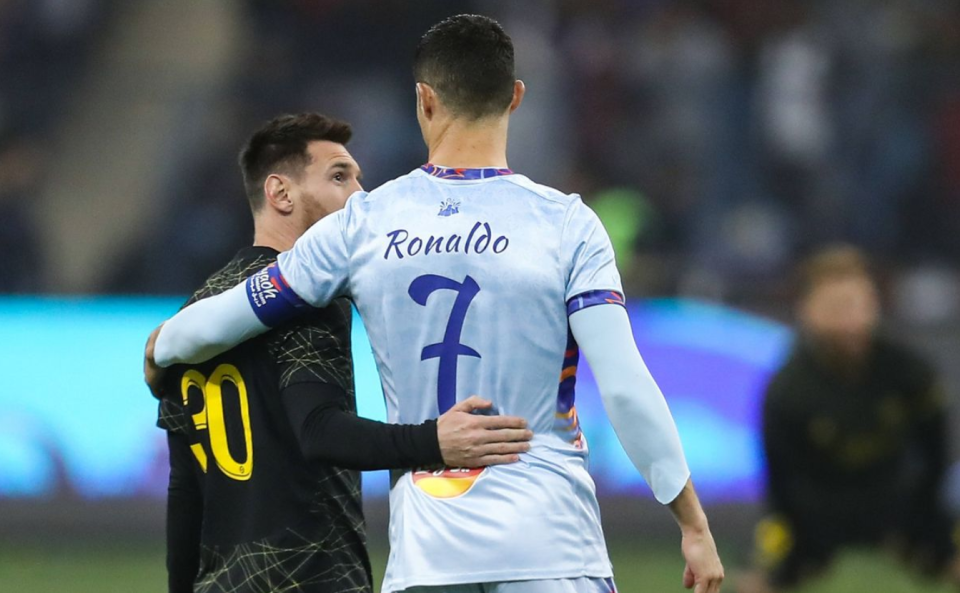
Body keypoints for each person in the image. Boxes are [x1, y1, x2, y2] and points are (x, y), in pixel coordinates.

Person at [147, 15, 724, 593]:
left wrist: (163, 346)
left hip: (427, 559)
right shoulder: (567, 224)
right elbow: (625, 388)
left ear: (424, 99)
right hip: (551, 546)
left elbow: (226, 317)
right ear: (515, 97)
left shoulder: (362, 225)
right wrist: (692, 524)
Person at [148, 112, 533, 593]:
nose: (359, 196)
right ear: (280, 193)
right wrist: (435, 441)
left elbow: (185, 489)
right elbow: (320, 431)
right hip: (309, 576)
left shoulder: (193, 315)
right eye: (339, 177)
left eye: (357, 178)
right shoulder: (305, 302)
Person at [737, 246, 958, 593]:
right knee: (754, 578)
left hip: (900, 502)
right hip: (815, 512)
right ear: (808, 311)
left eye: (859, 305)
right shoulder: (788, 390)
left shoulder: (910, 374)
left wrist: (927, 516)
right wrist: (793, 534)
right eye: (836, 308)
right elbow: (779, 483)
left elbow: (936, 455)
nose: (850, 321)